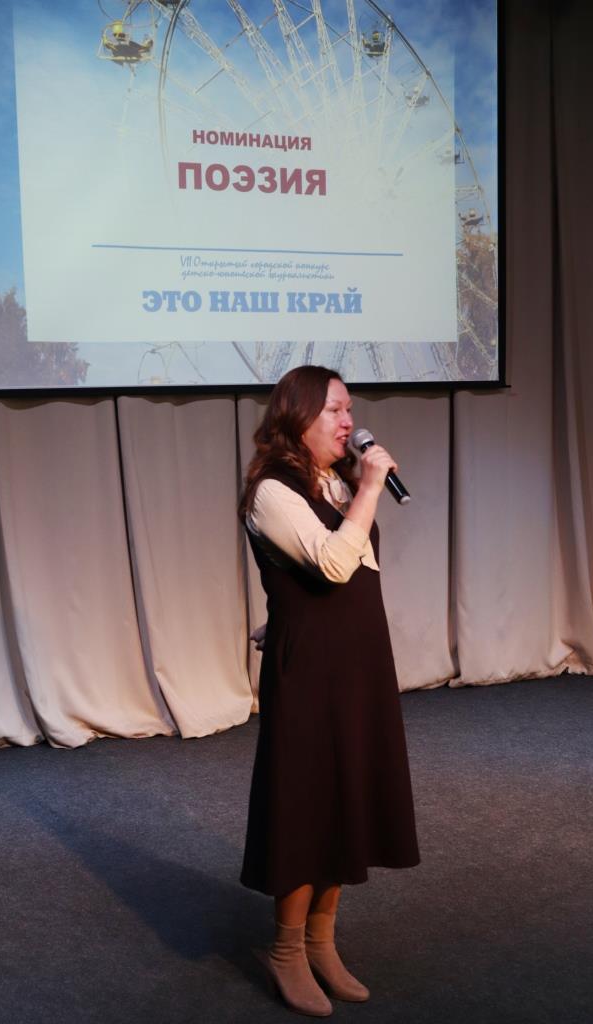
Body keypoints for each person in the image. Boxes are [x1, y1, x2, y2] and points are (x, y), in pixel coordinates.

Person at [239, 365, 419, 1017]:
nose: (349, 422)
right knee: (306, 804)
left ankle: (321, 940)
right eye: (334, 410)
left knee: (348, 795)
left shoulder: (334, 479)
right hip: (312, 672)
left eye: (349, 409)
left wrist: (285, 612)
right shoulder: (272, 490)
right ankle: (286, 949)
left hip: (358, 662)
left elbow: (337, 570)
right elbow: (335, 562)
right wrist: (370, 486)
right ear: (297, 417)